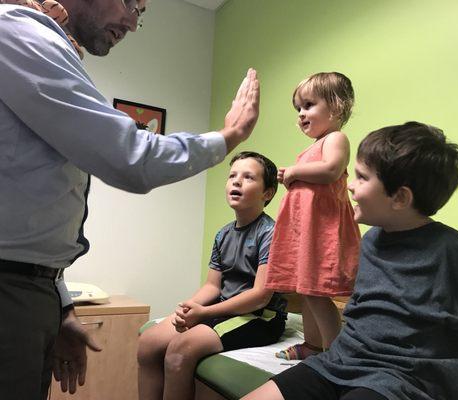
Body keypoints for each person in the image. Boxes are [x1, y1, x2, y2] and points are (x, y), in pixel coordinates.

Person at [0, 0, 260, 398]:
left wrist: (59, 302)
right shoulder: (18, 31)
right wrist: (230, 135)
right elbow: (131, 158)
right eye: (131, 3)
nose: (133, 23)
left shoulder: (270, 233)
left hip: (31, 290)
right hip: (13, 290)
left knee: (180, 349)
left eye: (142, 12)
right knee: (157, 344)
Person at [242, 122, 458, 400]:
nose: (350, 186)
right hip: (341, 362)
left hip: (405, 379)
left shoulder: (457, 256)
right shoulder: (372, 240)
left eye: (362, 178)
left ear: (400, 197)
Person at [137, 151, 287, 400]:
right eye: (232, 176)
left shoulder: (270, 233)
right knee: (149, 343)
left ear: (267, 193)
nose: (236, 182)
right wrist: (190, 308)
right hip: (224, 310)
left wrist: (205, 314)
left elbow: (261, 296)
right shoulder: (223, 234)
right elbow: (212, 286)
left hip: (260, 317)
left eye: (248, 177)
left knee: (179, 350)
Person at [264, 72, 361, 360]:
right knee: (306, 290)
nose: (301, 114)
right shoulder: (312, 147)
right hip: (306, 234)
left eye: (308, 105)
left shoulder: (336, 139)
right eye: (298, 109)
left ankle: (336, 354)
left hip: (323, 234)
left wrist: (293, 173)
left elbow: (331, 169)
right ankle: (313, 345)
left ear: (337, 106)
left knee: (318, 294)